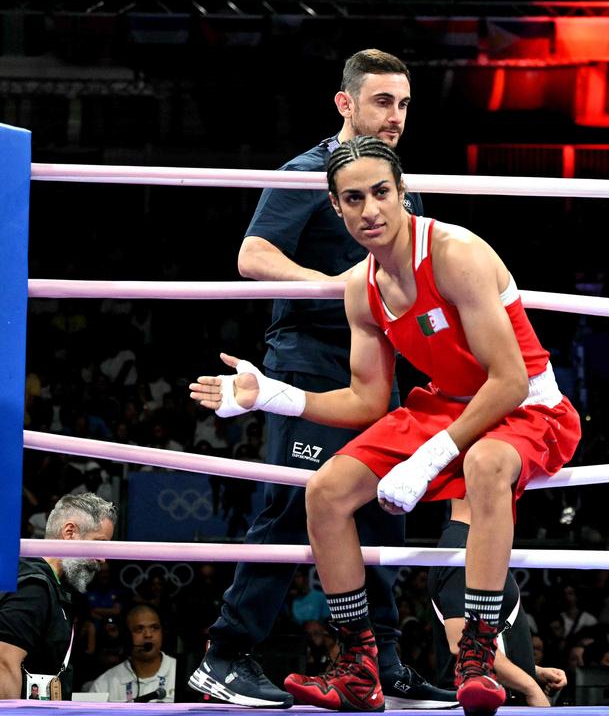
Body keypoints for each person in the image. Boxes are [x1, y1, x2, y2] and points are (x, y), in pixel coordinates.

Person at [190, 135, 581, 714]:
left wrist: (427, 460)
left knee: (483, 462)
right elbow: (368, 402)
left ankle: (476, 651)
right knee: (324, 490)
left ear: (402, 194)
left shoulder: (456, 254)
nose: (369, 210)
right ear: (336, 206)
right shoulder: (360, 287)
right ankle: (358, 664)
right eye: (353, 198)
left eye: (380, 193)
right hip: (445, 404)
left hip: (524, 406)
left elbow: (509, 381)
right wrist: (271, 396)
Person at [186, 49, 453, 709]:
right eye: (383, 101)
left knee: (382, 509)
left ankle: (379, 663)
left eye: (404, 104)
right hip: (308, 353)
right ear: (346, 104)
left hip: (378, 363)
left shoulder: (401, 187)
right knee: (290, 505)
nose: (395, 117)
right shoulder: (306, 174)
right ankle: (224, 656)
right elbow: (252, 255)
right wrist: (336, 288)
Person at [427, 499, 568, 706]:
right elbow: (461, 641)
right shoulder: (462, 546)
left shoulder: (477, 543)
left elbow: (487, 637)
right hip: (484, 702)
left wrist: (530, 669)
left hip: (497, 698)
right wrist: (529, 686)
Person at [0, 493, 116, 699]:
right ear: (70, 532)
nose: (102, 558)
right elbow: (4, 663)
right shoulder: (34, 587)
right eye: (100, 543)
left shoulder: (55, 587)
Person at [84, 604, 177, 702]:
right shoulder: (104, 684)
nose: (148, 635)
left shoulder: (183, 675)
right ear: (126, 636)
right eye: (139, 629)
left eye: (154, 628)